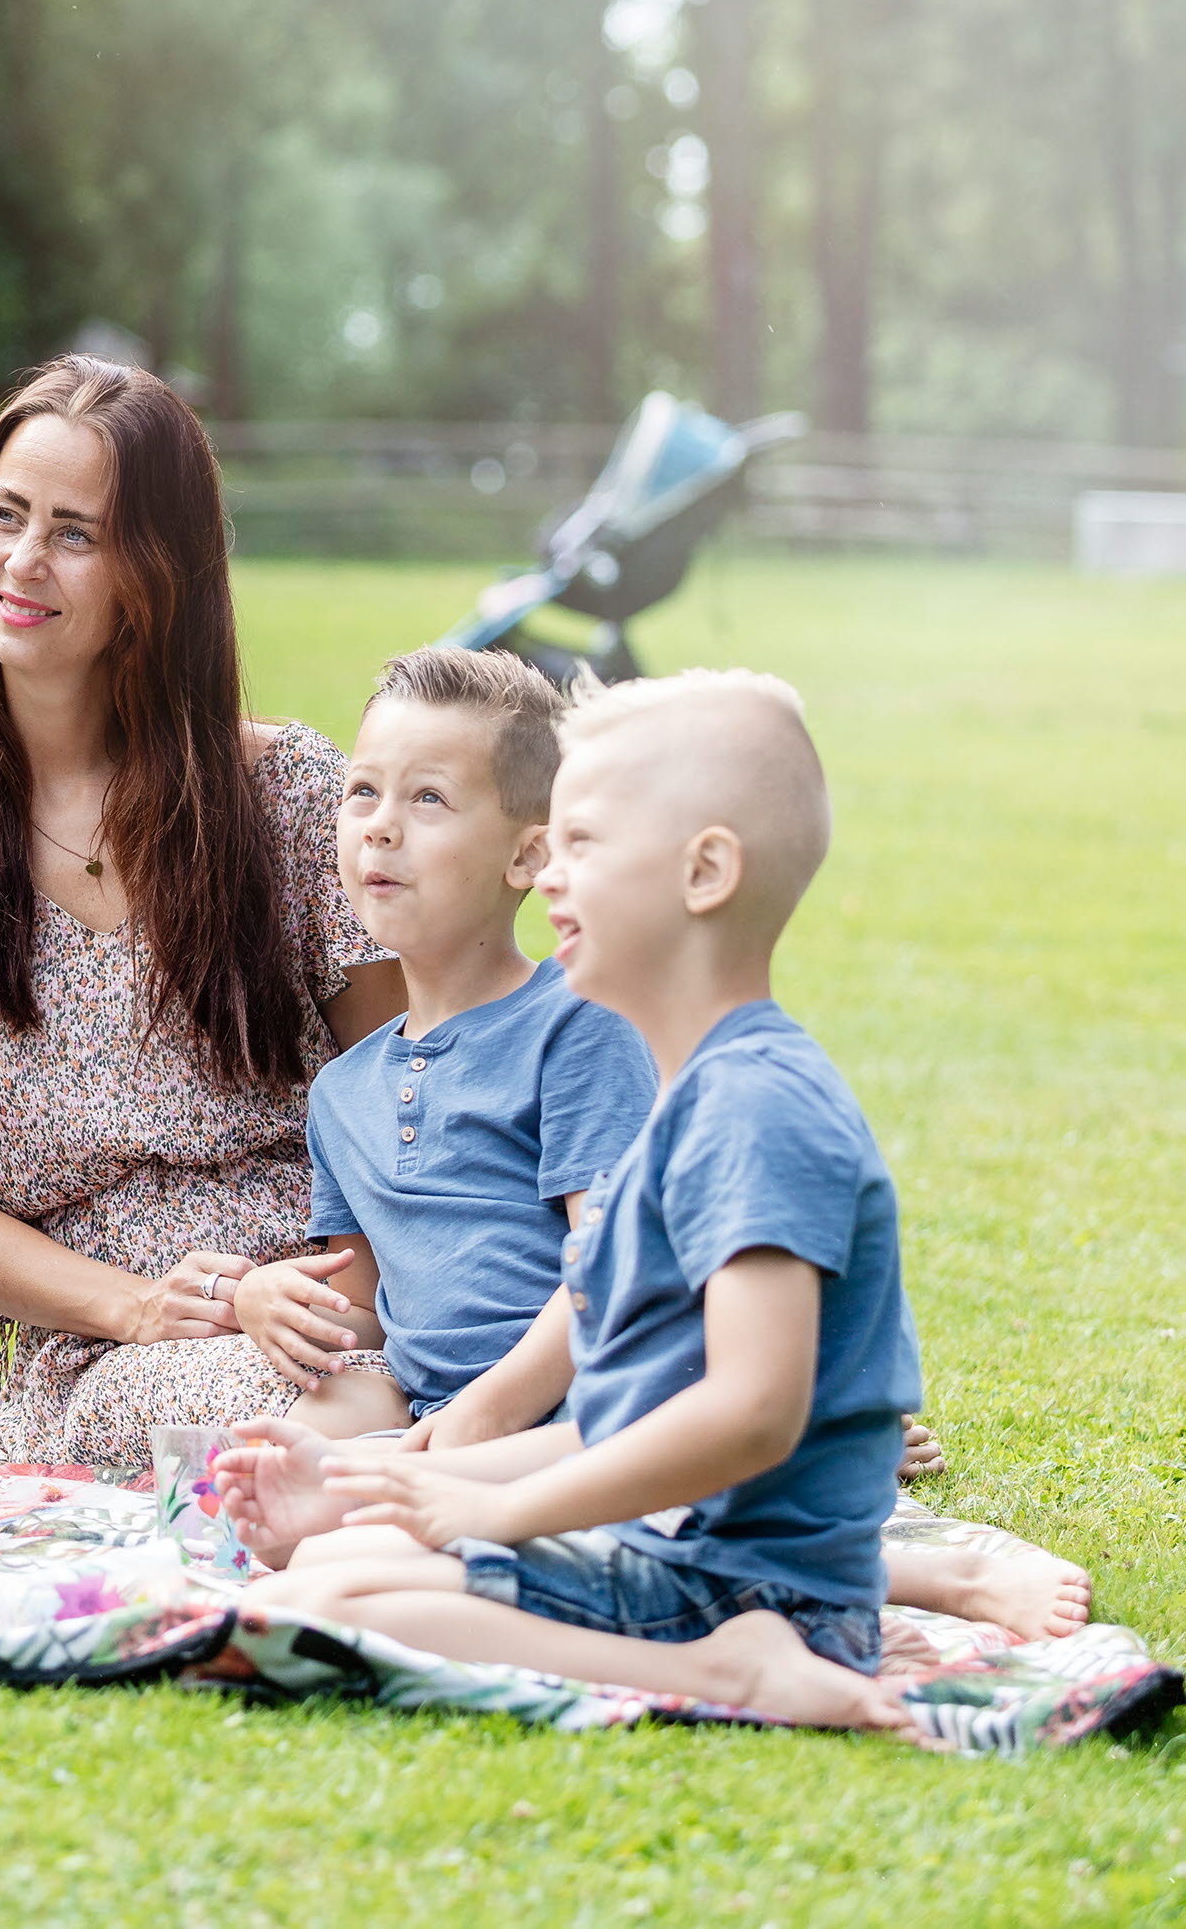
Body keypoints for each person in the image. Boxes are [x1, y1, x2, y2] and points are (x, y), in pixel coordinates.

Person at [220, 652, 1089, 1638]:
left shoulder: (745, 1100)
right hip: (651, 1509)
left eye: (580, 842)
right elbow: (627, 1394)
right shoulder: (693, 1093)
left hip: (714, 1559)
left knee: (323, 1593)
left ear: (703, 871)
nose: (550, 870)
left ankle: (795, 1638)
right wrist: (384, 1469)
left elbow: (740, 1408)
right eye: (362, 792)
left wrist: (483, 1499)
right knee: (324, 1561)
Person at [0, 358, 407, 1474]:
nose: (22, 561)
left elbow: (404, 1085)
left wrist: (359, 1294)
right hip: (98, 1338)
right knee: (300, 1405)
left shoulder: (283, 790)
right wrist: (145, 1306)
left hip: (345, 1278)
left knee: (498, 1352)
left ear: (157, 573)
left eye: (75, 533)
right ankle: (438, 1490)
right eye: (4, 515)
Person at [226, 647, 656, 1445]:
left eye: (428, 797)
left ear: (527, 855)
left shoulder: (577, 1020)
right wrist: (264, 1297)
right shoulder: (341, 1093)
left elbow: (615, 1263)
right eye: (362, 791)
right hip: (449, 1424)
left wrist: (478, 1422)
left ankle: (789, 1430)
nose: (380, 825)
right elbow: (365, 1314)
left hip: (600, 1403)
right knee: (286, 1469)